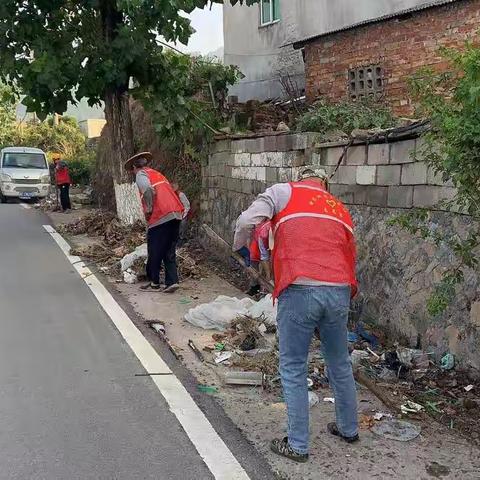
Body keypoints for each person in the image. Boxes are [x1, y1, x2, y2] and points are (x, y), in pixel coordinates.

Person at [233, 167, 359, 463]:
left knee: (292, 366)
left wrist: (240, 248)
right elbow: (351, 254)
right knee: (339, 362)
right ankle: (348, 428)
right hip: (339, 289)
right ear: (324, 184)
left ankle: (298, 445)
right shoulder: (338, 207)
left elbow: (246, 221)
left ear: (299, 178)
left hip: (299, 287)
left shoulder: (282, 192)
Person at [125, 152, 184, 293]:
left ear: (134, 166)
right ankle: (172, 282)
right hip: (175, 213)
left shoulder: (141, 174)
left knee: (155, 249)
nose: (133, 172)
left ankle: (155, 283)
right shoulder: (157, 173)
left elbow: (148, 190)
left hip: (160, 215)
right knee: (169, 250)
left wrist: (149, 210)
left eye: (132, 169)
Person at [246, 220, 272, 296]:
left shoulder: (267, 227)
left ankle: (263, 289)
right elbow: (264, 256)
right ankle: (256, 288)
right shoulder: (263, 230)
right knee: (254, 262)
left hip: (264, 239)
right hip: (259, 241)